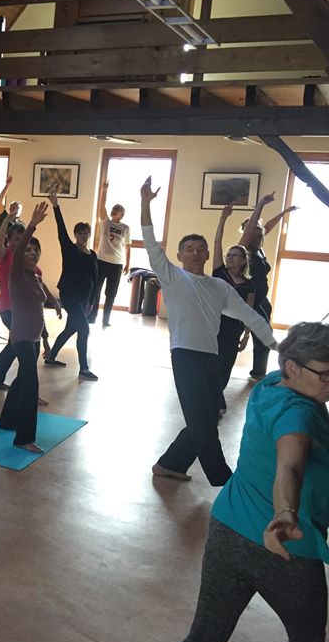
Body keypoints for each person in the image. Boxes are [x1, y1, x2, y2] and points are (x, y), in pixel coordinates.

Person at [147, 321, 329, 642]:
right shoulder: (300, 415)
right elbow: (290, 465)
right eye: (325, 374)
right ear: (293, 367)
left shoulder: (269, 386)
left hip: (228, 529)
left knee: (204, 638)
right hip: (285, 548)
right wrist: (285, 514)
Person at [140, 177, 277, 486]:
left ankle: (169, 464)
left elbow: (249, 314)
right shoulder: (173, 277)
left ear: (206, 256)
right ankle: (225, 481)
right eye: (189, 249)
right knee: (204, 423)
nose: (196, 253)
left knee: (206, 416)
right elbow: (149, 242)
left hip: (211, 358)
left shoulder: (219, 286)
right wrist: (146, 204)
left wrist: (273, 342)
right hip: (185, 356)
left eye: (200, 249)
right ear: (180, 255)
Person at [0, 202, 61, 453]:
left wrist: (45, 336)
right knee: (31, 385)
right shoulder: (16, 274)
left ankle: (6, 421)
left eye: (36, 250)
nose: (32, 253)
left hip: (33, 338)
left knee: (23, 378)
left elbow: (39, 308)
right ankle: (23, 438)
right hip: (21, 337)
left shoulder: (35, 276)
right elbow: (19, 248)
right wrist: (32, 225)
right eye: (28, 250)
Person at [44, 189, 99, 380]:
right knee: (84, 329)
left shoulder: (93, 255)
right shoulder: (69, 248)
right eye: (80, 233)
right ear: (75, 234)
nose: (83, 236)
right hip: (69, 296)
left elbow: (95, 279)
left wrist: (92, 301)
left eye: (86, 234)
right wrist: (56, 206)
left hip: (84, 298)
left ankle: (51, 357)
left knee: (71, 328)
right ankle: (84, 368)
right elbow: (61, 229)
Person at [240, 194, 296, 380]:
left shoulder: (259, 249)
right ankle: (258, 373)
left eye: (260, 235)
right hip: (251, 300)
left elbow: (267, 227)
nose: (258, 238)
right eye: (254, 235)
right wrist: (261, 205)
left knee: (262, 336)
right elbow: (252, 230)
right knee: (264, 336)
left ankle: (258, 372)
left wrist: (284, 212)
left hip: (262, 299)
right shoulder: (244, 250)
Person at [212, 203, 255, 413]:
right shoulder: (219, 273)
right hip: (214, 325)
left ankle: (216, 397)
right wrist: (223, 218)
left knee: (226, 365)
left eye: (235, 255)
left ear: (243, 260)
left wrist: (246, 335)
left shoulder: (249, 284)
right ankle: (214, 401)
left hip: (233, 329)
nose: (229, 257)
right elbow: (217, 242)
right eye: (228, 254)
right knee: (212, 364)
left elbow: (249, 312)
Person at [0, 198, 26, 390]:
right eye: (16, 239)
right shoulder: (3, 255)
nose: (19, 242)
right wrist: (6, 220)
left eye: (21, 239)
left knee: (14, 344)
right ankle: (18, 384)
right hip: (7, 307)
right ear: (10, 240)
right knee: (19, 343)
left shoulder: (22, 257)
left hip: (19, 307)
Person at [89, 180, 130, 326]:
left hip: (116, 264)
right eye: (114, 208)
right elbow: (102, 207)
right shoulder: (106, 222)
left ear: (122, 214)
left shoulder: (125, 228)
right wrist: (104, 191)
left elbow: (127, 246)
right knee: (96, 290)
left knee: (111, 293)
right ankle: (92, 317)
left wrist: (127, 264)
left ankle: (106, 320)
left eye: (117, 209)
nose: (114, 210)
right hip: (101, 261)